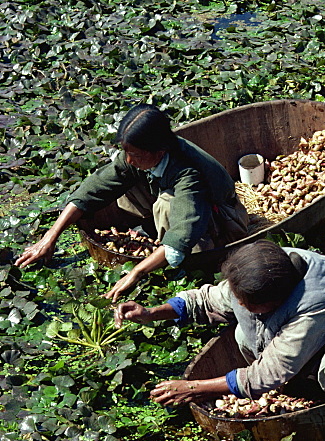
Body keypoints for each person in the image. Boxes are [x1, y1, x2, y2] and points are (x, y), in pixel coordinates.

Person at [114, 240, 325, 406]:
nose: (238, 302)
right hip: (322, 341)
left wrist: (197, 387)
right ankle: (306, 387)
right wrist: (151, 313)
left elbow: (273, 368)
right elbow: (208, 300)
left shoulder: (315, 304)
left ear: (274, 302)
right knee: (243, 335)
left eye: (245, 302)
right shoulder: (261, 269)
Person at [16, 104, 249, 302]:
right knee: (124, 178)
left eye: (136, 155)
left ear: (159, 150)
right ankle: (153, 229)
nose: (129, 159)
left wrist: (136, 272)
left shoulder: (188, 173)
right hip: (173, 192)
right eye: (126, 152)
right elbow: (93, 189)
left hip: (224, 220)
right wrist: (50, 237)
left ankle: (189, 253)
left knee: (167, 206)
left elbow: (181, 238)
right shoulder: (138, 156)